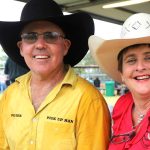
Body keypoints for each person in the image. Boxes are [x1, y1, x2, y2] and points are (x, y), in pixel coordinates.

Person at [0, 0, 111, 149]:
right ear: (21, 47)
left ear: (65, 46)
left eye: (50, 36)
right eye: (30, 36)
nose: (40, 45)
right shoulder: (9, 96)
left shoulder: (88, 99)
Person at [88, 13, 150, 149]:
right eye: (131, 60)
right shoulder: (122, 105)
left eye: (149, 58)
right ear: (121, 73)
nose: (140, 67)